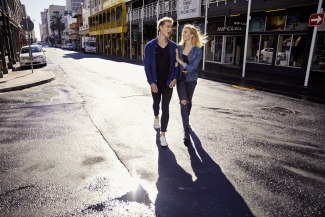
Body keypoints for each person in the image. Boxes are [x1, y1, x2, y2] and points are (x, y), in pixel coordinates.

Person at [144, 17, 178, 147]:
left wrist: (174, 78)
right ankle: (156, 116)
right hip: (155, 82)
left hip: (168, 83)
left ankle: (163, 134)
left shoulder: (174, 46)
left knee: (166, 107)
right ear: (160, 28)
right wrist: (151, 82)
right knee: (156, 103)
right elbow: (147, 66)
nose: (170, 29)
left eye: (171, 27)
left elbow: (177, 66)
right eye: (168, 26)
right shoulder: (150, 46)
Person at [175, 24, 206, 144]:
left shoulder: (197, 50)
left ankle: (186, 120)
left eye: (186, 32)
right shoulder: (178, 47)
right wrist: (176, 64)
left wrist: (179, 61)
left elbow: (193, 68)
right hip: (180, 79)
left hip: (192, 80)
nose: (183, 34)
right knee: (183, 102)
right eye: (183, 32)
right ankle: (186, 131)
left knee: (189, 102)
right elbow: (174, 63)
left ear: (192, 35)